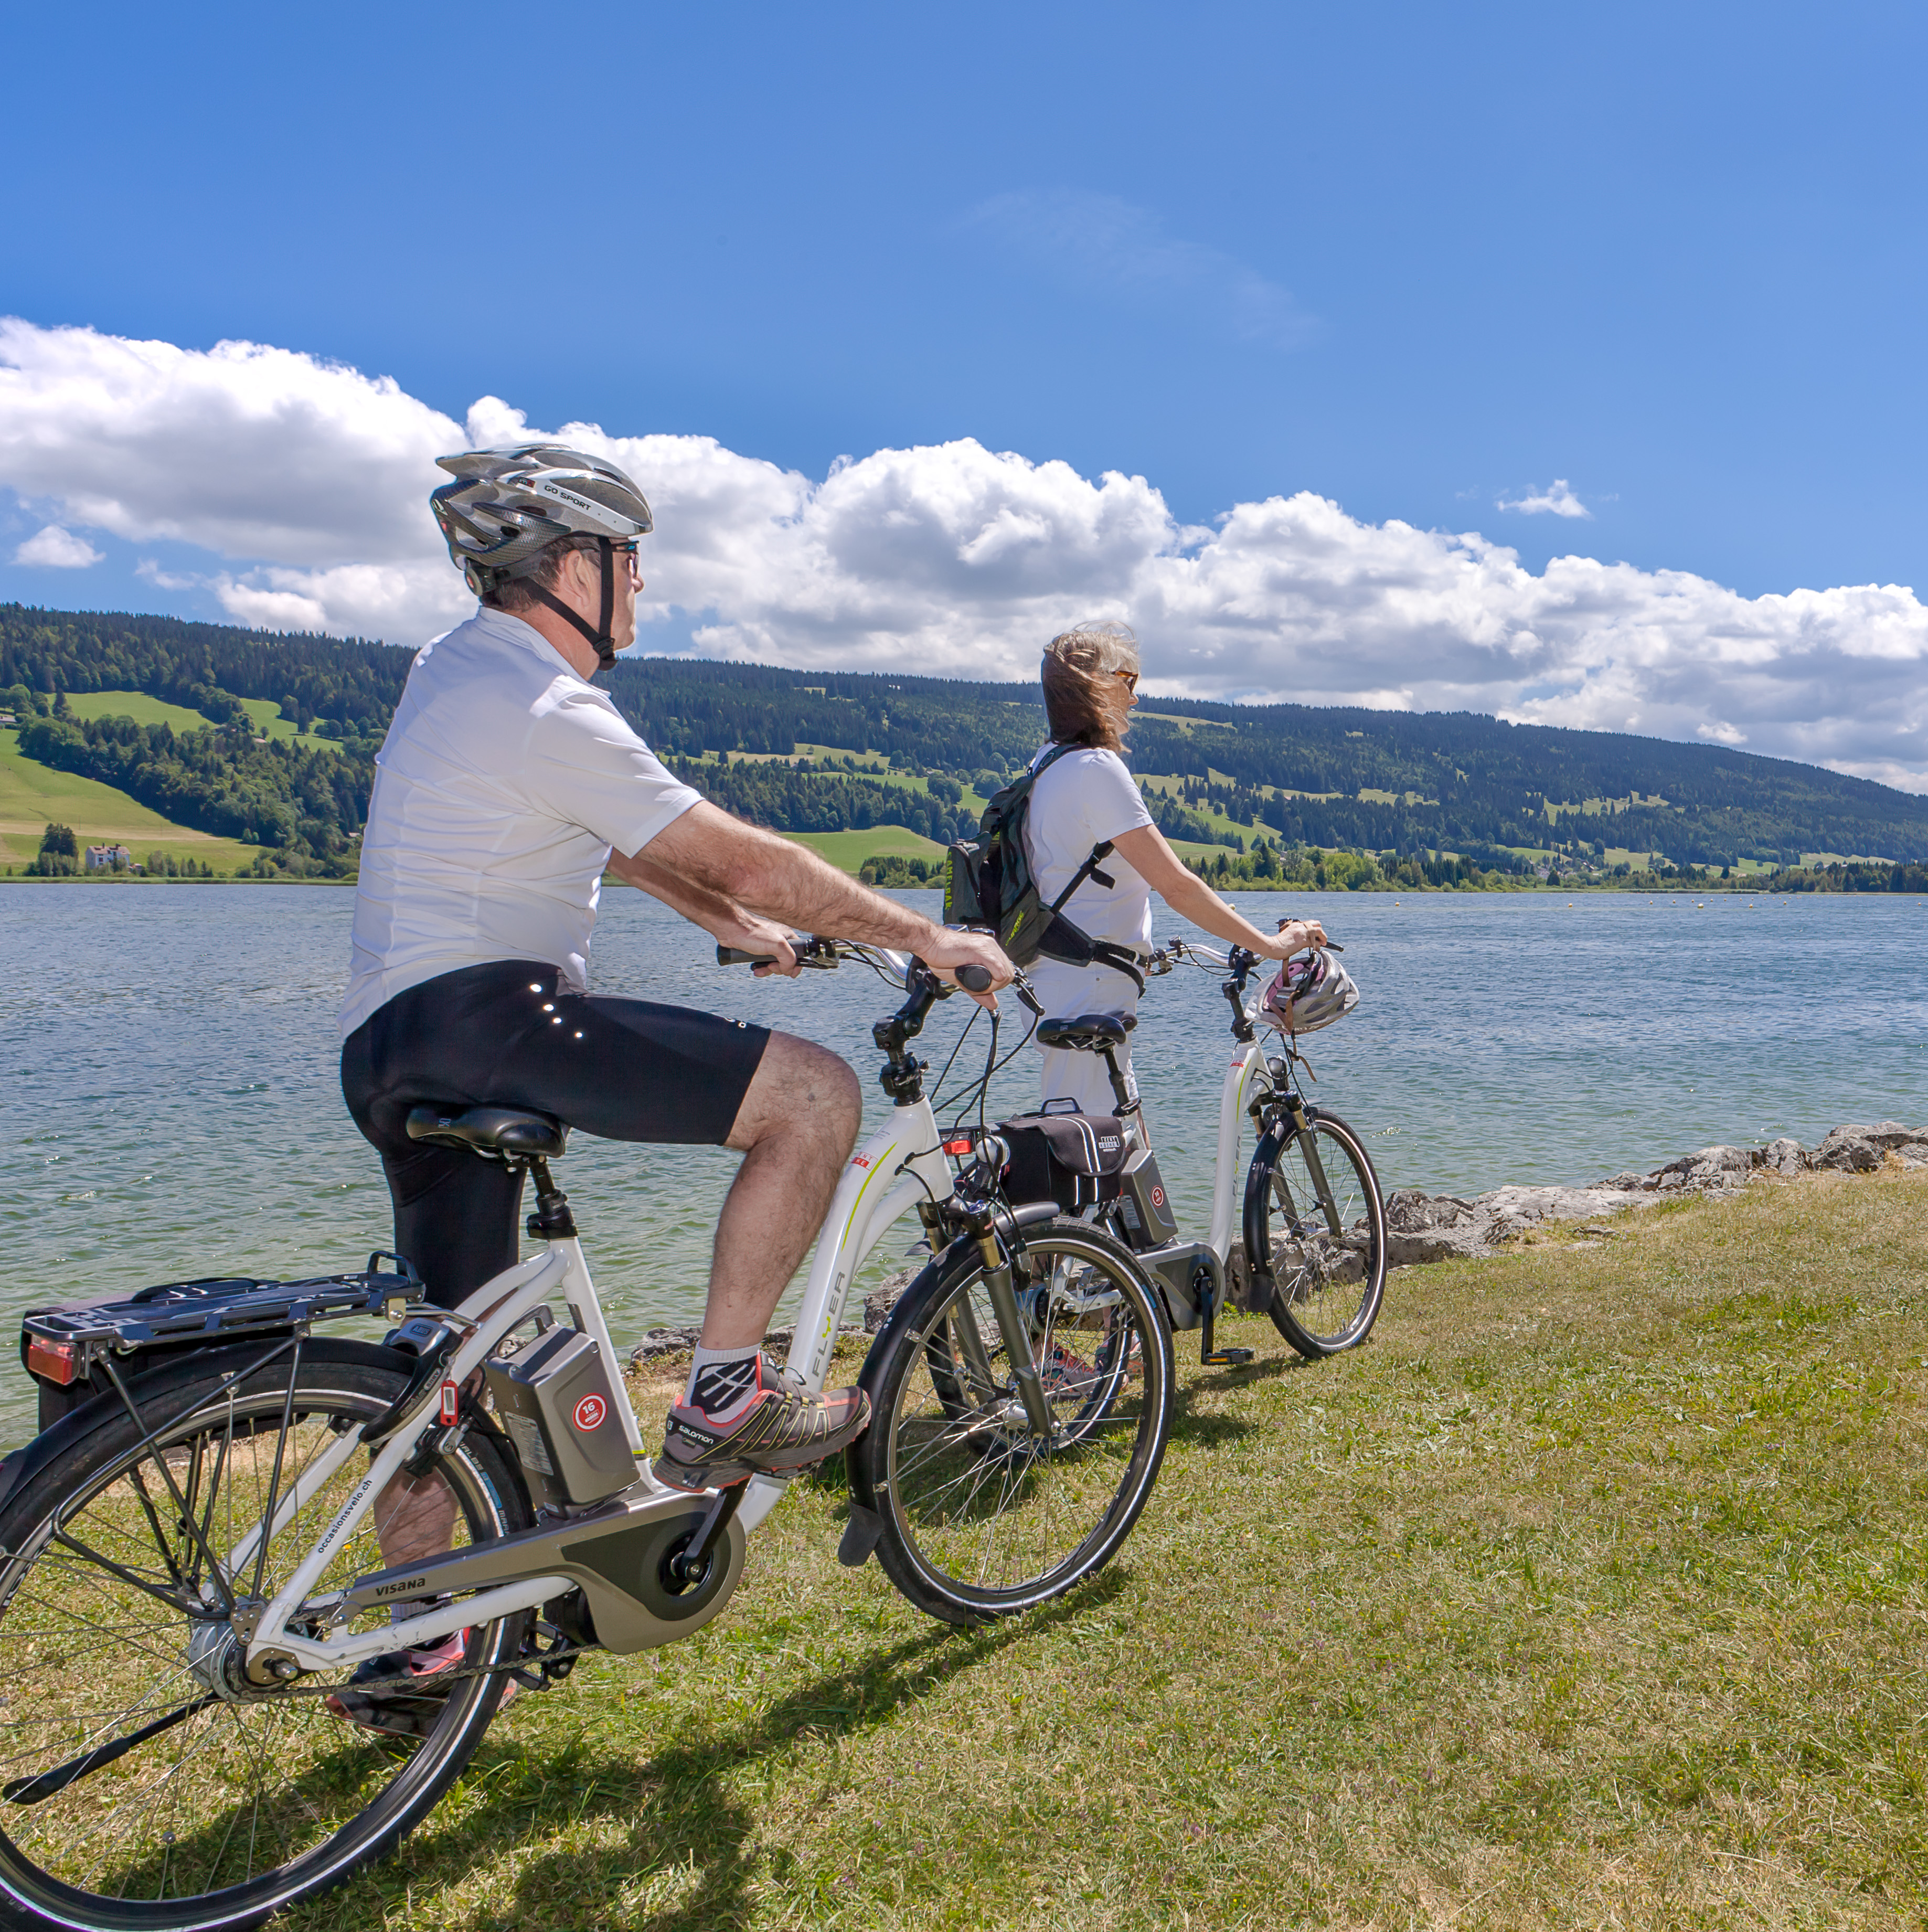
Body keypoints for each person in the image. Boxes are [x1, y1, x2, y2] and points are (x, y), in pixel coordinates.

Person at [334, 446, 1015, 1703]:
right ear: (578, 567)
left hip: (387, 1043)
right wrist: (922, 935)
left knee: (453, 1362)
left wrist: (743, 933)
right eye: (630, 560)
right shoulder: (551, 703)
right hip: (497, 1013)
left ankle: (410, 1646)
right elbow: (731, 851)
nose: (643, 585)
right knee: (815, 1097)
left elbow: (623, 842)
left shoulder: (458, 673)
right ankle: (725, 1390)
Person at [1020, 620, 1326, 1114]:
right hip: (1089, 983)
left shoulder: (1048, 764)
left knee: (1093, 1131)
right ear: (1097, 683)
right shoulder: (1095, 768)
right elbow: (1176, 886)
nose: (1134, 698)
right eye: (1128, 681)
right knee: (1091, 1142)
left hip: (1061, 975)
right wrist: (1271, 946)